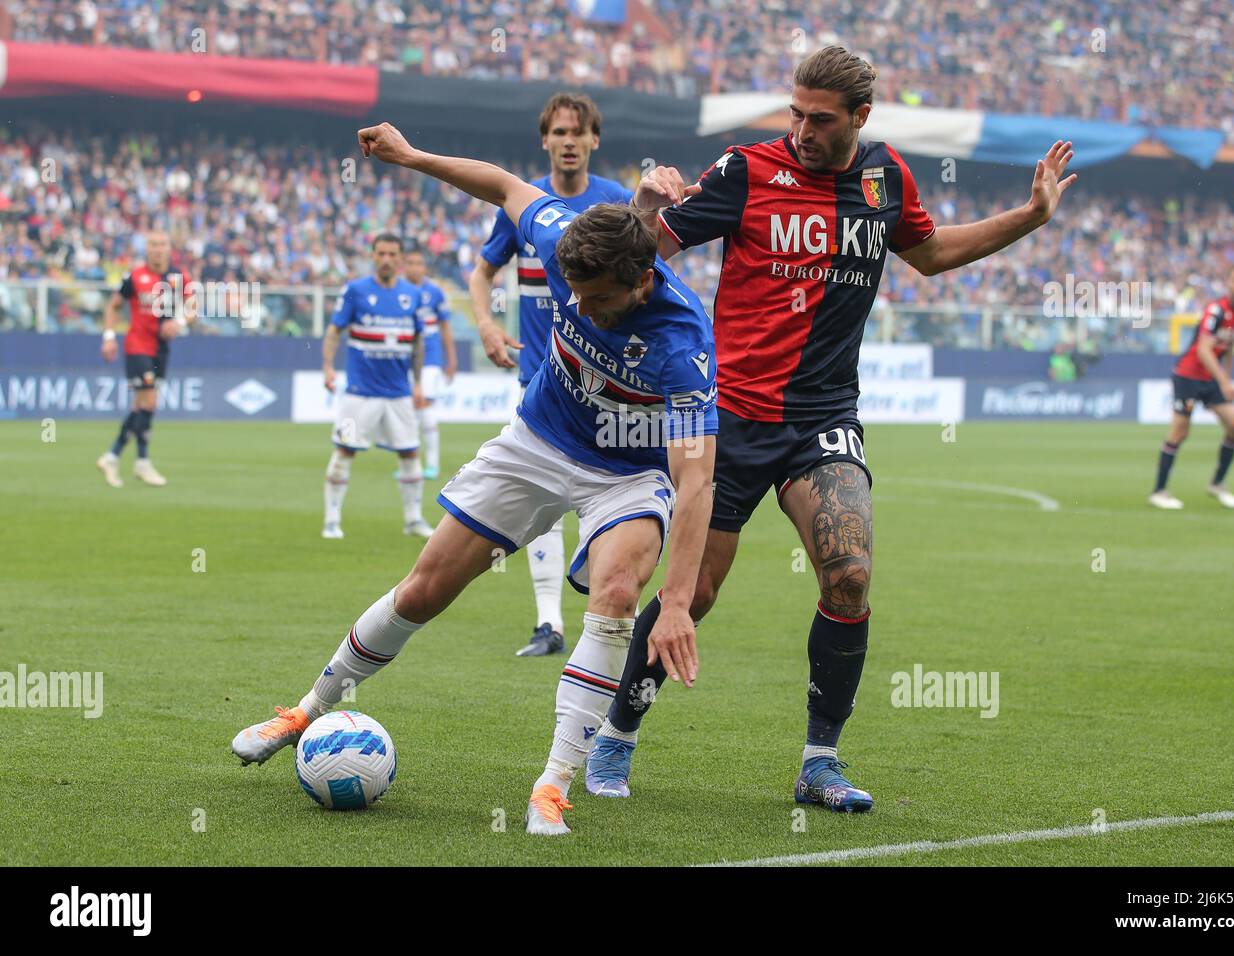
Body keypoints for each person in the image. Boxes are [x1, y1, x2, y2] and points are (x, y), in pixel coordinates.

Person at [585, 45, 1076, 813]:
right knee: (699, 590)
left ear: (860, 118)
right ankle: (618, 728)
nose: (802, 131)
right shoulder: (746, 171)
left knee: (849, 574)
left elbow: (933, 253)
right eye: (795, 114)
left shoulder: (886, 178)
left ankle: (820, 761)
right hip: (733, 415)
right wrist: (647, 204)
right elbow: (639, 257)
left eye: (819, 119)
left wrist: (1032, 216)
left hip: (823, 417)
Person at [232, 122, 718, 838]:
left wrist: (677, 601)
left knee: (617, 596)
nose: (577, 310)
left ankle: (552, 787)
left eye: (595, 302)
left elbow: (696, 481)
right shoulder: (564, 241)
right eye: (572, 295)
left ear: (642, 281)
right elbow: (501, 184)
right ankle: (306, 709)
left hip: (625, 477)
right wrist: (411, 157)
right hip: (539, 440)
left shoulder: (682, 348)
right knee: (424, 589)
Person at [470, 92, 633, 658]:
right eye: (558, 132)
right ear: (545, 140)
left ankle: (600, 618)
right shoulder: (523, 204)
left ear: (593, 141)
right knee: (543, 502)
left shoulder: (614, 202)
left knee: (602, 495)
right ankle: (548, 623)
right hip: (539, 379)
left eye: (577, 132)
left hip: (606, 384)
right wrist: (488, 326)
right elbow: (482, 273)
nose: (568, 141)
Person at [320, 234, 433, 539]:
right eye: (381, 253)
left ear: (399, 259)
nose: (386, 259)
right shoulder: (355, 291)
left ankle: (413, 519)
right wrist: (328, 367)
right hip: (360, 393)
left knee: (410, 454)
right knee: (345, 451)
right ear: (373, 256)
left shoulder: (413, 295)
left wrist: (418, 383)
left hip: (398, 393)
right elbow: (334, 331)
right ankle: (331, 519)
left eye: (392, 254)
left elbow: (418, 343)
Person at [1149, 265, 1234, 510]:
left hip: (1211, 377)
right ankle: (1159, 491)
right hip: (1188, 376)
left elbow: (1229, 346)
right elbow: (1205, 349)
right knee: (1180, 432)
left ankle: (1217, 484)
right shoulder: (1215, 309)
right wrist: (1225, 381)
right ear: (1228, 283)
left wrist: (1227, 377)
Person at [96, 231, 193, 488]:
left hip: (161, 350)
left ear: (170, 248)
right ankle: (137, 461)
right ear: (147, 248)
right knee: (147, 398)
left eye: (162, 244)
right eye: (153, 244)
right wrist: (108, 336)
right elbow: (113, 305)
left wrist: (179, 321)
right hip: (137, 346)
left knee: (144, 405)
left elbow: (193, 306)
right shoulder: (135, 277)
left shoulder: (179, 278)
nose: (157, 249)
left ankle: (117, 456)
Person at [393, 247, 458, 481]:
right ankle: (411, 463)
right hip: (403, 359)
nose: (414, 268)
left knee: (425, 408)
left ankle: (431, 464)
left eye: (418, 263)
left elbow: (445, 329)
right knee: (407, 412)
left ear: (424, 267)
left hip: (429, 358)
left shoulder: (435, 292)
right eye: (409, 263)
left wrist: (451, 360)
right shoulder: (398, 291)